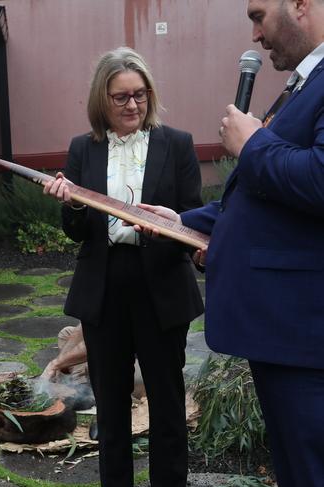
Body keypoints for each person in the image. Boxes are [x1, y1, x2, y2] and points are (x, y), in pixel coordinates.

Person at [132, 1, 324, 485]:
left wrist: (253, 143)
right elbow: (267, 201)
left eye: (259, 15)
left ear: (301, 4)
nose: (255, 35)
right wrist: (183, 221)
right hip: (284, 333)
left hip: (305, 336)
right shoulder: (305, 82)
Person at [43, 47, 204, 487]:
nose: (132, 105)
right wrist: (69, 204)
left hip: (162, 286)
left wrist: (169, 231)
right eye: (121, 97)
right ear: (102, 100)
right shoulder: (84, 149)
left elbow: (192, 218)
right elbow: (77, 232)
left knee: (168, 408)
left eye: (140, 94)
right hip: (106, 288)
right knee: (111, 411)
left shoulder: (178, 144)